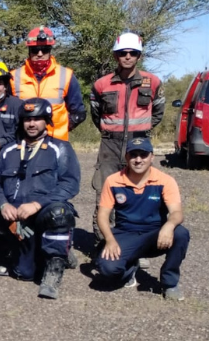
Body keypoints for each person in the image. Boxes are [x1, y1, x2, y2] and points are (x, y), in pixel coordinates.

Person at [0, 97, 80, 299]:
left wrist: (37, 204)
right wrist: (3, 204)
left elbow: (70, 184)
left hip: (45, 213)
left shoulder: (60, 148)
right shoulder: (8, 151)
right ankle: (60, 252)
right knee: (24, 273)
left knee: (59, 212)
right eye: (27, 119)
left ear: (47, 121)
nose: (32, 124)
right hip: (17, 220)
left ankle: (53, 274)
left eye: (38, 119)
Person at [90, 33, 165, 261]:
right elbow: (96, 115)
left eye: (133, 53)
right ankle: (103, 244)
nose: (128, 57)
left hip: (139, 144)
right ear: (116, 55)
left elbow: (158, 113)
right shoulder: (101, 84)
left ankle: (138, 245)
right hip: (110, 145)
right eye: (123, 53)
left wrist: (139, 132)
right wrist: (111, 131)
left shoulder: (153, 82)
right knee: (105, 193)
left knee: (139, 194)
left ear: (139, 56)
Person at [94, 138, 188, 301]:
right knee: (107, 269)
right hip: (125, 233)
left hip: (155, 235)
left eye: (143, 155)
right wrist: (109, 240)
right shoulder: (113, 180)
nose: (138, 160)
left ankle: (169, 284)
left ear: (152, 157)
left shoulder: (165, 180)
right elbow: (102, 215)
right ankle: (130, 268)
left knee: (180, 233)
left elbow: (177, 213)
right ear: (126, 157)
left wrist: (169, 225)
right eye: (133, 155)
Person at [11, 26, 87, 142]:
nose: (40, 54)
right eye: (35, 50)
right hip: (23, 141)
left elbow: (79, 113)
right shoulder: (14, 77)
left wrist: (61, 128)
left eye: (45, 49)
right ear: (29, 51)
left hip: (56, 141)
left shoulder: (66, 75)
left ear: (50, 50)